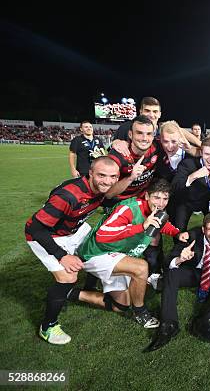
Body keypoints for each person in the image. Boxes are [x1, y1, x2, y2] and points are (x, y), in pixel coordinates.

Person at [25, 157, 119, 344]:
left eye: (113, 177)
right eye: (101, 175)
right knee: (68, 277)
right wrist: (62, 256)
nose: (107, 181)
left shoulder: (101, 189)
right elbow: (36, 228)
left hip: (74, 230)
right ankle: (48, 326)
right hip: (47, 235)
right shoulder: (68, 195)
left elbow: (108, 201)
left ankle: (89, 288)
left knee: (98, 249)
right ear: (90, 173)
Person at [75, 179, 187, 329]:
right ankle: (140, 312)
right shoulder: (128, 208)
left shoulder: (158, 212)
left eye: (165, 198)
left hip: (117, 254)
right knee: (141, 268)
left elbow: (162, 224)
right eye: (157, 197)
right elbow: (102, 235)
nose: (161, 203)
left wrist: (177, 233)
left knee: (121, 305)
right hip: (96, 253)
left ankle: (71, 293)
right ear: (147, 196)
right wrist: (141, 226)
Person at [145, 213, 210, 351]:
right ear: (203, 230)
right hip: (194, 273)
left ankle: (206, 322)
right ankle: (168, 325)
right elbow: (168, 262)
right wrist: (180, 259)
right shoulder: (190, 237)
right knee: (172, 271)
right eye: (209, 229)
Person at [171, 138, 210, 231]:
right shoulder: (188, 164)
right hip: (186, 201)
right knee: (179, 231)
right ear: (201, 153)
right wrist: (192, 176)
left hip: (209, 200)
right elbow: (175, 186)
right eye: (207, 154)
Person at [106, 116, 162, 201]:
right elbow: (108, 194)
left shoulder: (157, 148)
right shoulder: (118, 155)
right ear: (130, 135)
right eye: (139, 133)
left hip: (143, 198)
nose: (144, 138)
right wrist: (131, 177)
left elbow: (175, 133)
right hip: (120, 201)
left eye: (149, 134)